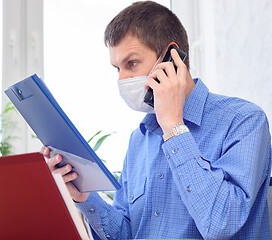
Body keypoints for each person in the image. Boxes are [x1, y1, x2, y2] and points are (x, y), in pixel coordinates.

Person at [41, 1, 271, 239]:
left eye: (131, 63)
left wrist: (173, 127)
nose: (122, 78)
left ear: (172, 57)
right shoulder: (140, 138)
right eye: (116, 68)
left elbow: (221, 223)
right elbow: (127, 233)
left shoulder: (244, 121)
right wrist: (84, 197)